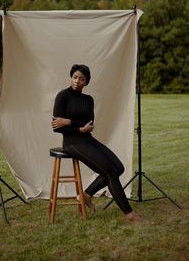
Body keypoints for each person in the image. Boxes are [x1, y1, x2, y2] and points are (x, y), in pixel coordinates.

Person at [51, 64, 141, 223]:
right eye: (75, 77)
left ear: (86, 82)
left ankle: (86, 195)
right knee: (110, 172)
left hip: (88, 139)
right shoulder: (63, 96)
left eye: (81, 79)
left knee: (119, 168)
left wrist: (69, 121)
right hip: (72, 142)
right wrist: (79, 129)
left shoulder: (88, 99)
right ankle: (130, 214)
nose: (77, 81)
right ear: (71, 77)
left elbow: (90, 122)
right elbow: (57, 128)